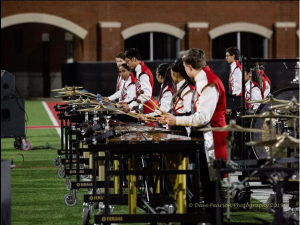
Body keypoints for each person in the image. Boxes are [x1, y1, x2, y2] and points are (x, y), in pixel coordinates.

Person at [119, 48, 155, 114]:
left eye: (127, 62)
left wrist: (130, 105)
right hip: (144, 108)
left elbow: (147, 94)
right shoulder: (139, 71)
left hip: (148, 109)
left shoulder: (142, 72)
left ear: (134, 59)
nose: (127, 64)